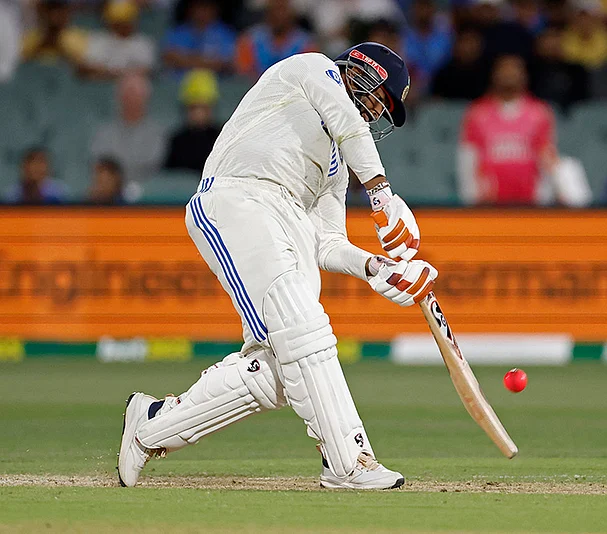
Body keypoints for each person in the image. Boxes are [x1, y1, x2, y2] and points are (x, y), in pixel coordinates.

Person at [117, 43, 437, 491]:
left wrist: (376, 267)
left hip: (290, 229)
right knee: (302, 329)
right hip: (239, 196)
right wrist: (382, 195)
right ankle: (348, 461)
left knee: (281, 368)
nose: (374, 113)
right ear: (362, 74)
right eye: (379, 99)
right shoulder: (310, 70)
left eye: (383, 110)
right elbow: (346, 122)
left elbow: (328, 242)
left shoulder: (337, 165)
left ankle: (151, 426)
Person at [457, 55, 556, 205]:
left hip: (530, 203)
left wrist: (544, 199)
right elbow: (468, 158)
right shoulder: (477, 113)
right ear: (494, 75)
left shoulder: (539, 113)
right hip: (488, 204)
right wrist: (471, 198)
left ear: (524, 76)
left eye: (515, 70)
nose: (509, 74)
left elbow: (546, 157)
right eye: (504, 70)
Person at [90, 72, 167, 187]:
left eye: (135, 94)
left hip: (146, 194)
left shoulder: (157, 134)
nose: (130, 99)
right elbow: (100, 163)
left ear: (145, 98)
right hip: (110, 196)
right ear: (118, 97)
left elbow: (153, 165)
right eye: (126, 94)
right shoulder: (104, 132)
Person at [235, 0, 316, 79]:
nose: (279, 15)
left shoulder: (306, 44)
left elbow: (310, 76)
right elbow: (243, 75)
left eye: (282, 10)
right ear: (267, 13)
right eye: (275, 10)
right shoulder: (249, 40)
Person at [79, 0, 156, 79]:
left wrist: (113, 73)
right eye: (118, 22)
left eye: (126, 21)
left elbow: (146, 70)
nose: (122, 26)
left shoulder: (143, 43)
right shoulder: (97, 40)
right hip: (100, 88)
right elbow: (86, 67)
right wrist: (115, 73)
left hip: (130, 88)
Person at [165, 69, 223, 172]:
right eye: (194, 107)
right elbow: (171, 178)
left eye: (203, 107)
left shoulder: (221, 138)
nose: (198, 113)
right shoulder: (177, 141)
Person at [162, 0, 237, 77]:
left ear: (214, 10)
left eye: (206, 8)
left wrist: (185, 60)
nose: (202, 12)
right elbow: (168, 57)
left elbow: (226, 63)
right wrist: (206, 62)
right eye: (198, 7)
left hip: (216, 84)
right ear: (191, 9)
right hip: (180, 82)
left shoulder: (225, 33)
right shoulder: (179, 32)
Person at [528, 24, 589, 112]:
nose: (552, 43)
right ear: (538, 43)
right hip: (536, 114)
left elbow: (582, 102)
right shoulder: (529, 69)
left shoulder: (577, 70)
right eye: (547, 39)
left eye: (555, 38)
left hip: (569, 116)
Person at [402, 0, 453, 91]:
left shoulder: (445, 38)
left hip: (442, 89)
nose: (423, 12)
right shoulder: (403, 37)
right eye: (420, 7)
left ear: (433, 9)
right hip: (411, 89)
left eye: (427, 7)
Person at [431, 24, 489, 100]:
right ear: (456, 44)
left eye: (472, 42)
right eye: (465, 41)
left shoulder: (488, 73)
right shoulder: (444, 74)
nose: (468, 47)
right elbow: (436, 102)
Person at [21, 0, 87, 65]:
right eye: (51, 9)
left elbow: (79, 67)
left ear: (68, 11)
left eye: (60, 10)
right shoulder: (30, 38)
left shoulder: (78, 39)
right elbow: (23, 65)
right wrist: (43, 42)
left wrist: (58, 43)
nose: (55, 15)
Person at [561, 0, 607, 70]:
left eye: (587, 17)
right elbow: (569, 55)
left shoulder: (604, 35)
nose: (584, 21)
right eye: (580, 17)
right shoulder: (567, 35)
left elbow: (602, 56)